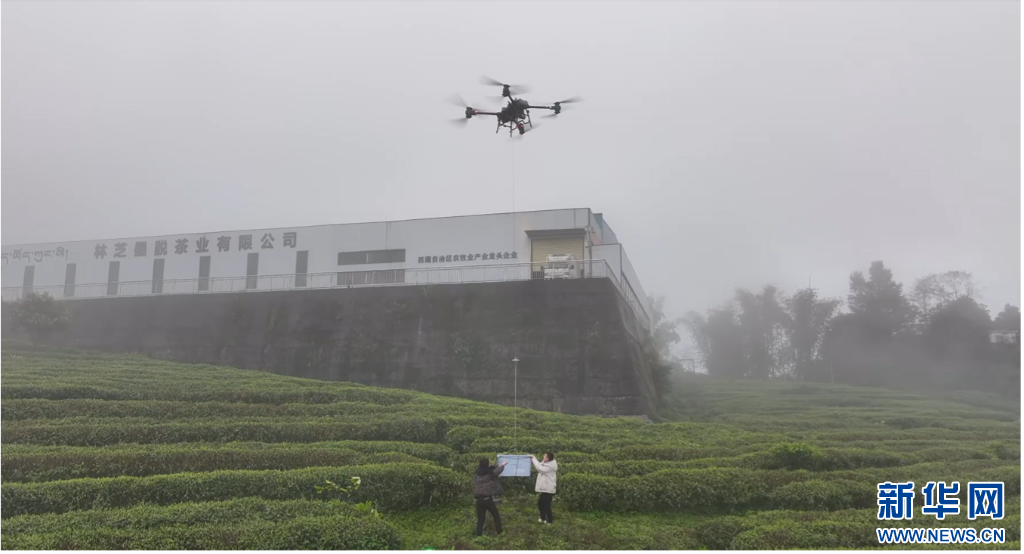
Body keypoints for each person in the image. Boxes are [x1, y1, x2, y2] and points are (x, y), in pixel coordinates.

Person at [472, 458, 507, 536]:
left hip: (478, 501)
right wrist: (503, 465)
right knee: (496, 516)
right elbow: (496, 471)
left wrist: (491, 466)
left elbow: (486, 469)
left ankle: (478, 536)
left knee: (480, 520)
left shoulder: (476, 475)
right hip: (487, 500)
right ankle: (499, 533)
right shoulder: (489, 475)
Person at [530, 453, 558, 524]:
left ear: (548, 459)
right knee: (540, 504)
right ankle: (543, 518)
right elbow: (539, 464)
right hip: (545, 488)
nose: (543, 457)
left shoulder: (550, 467)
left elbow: (540, 468)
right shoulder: (546, 463)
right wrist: (533, 458)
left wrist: (533, 459)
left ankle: (549, 520)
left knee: (546, 505)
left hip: (548, 489)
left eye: (544, 456)